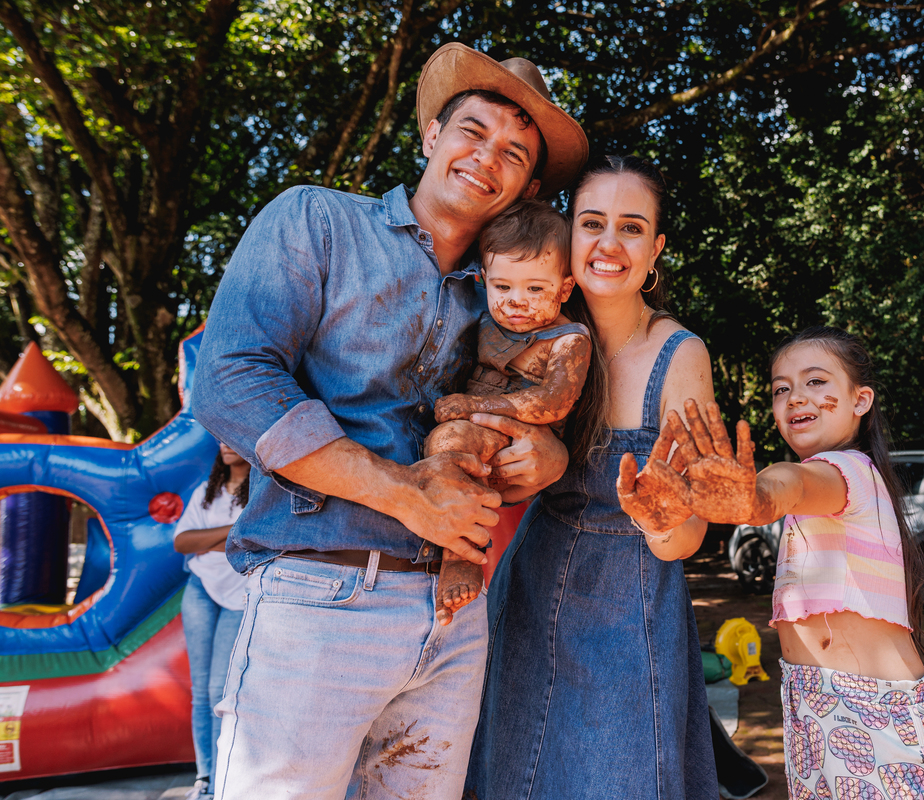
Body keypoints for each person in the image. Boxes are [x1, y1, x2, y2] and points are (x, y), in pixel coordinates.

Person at [191, 43, 588, 800]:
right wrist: (406, 494)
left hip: (455, 614)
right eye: (473, 131)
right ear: (432, 135)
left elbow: (547, 415)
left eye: (513, 151)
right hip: (316, 591)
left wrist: (549, 456)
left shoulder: (516, 301)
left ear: (527, 188)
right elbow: (231, 381)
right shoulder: (317, 220)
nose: (487, 156)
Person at [465, 156, 720, 799]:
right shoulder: (519, 328)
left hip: (630, 611)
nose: (608, 244)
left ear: (656, 249)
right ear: (567, 237)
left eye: (631, 228)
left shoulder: (679, 354)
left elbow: (686, 537)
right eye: (592, 223)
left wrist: (664, 517)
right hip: (529, 592)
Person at [649, 327, 924, 799]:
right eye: (782, 388)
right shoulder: (819, 488)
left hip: (878, 721)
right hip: (815, 720)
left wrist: (753, 496)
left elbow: (788, 483)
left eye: (816, 382)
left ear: (861, 401)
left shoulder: (850, 472)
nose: (796, 397)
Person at [426, 199, 590, 624]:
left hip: (516, 445)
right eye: (503, 288)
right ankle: (450, 535)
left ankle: (461, 554)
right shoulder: (481, 324)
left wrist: (477, 405)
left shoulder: (568, 340)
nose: (517, 300)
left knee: (449, 439)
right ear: (484, 281)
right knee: (445, 443)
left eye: (535, 288)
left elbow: (553, 400)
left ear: (565, 288)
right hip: (473, 440)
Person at [173, 444, 250, 800]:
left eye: (232, 437)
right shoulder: (207, 493)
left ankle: (222, 783)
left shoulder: (264, 493)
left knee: (222, 689)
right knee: (200, 690)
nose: (225, 443)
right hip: (200, 590)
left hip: (241, 596)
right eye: (220, 438)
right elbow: (183, 542)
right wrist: (232, 530)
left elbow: (256, 545)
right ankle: (204, 779)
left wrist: (211, 539)